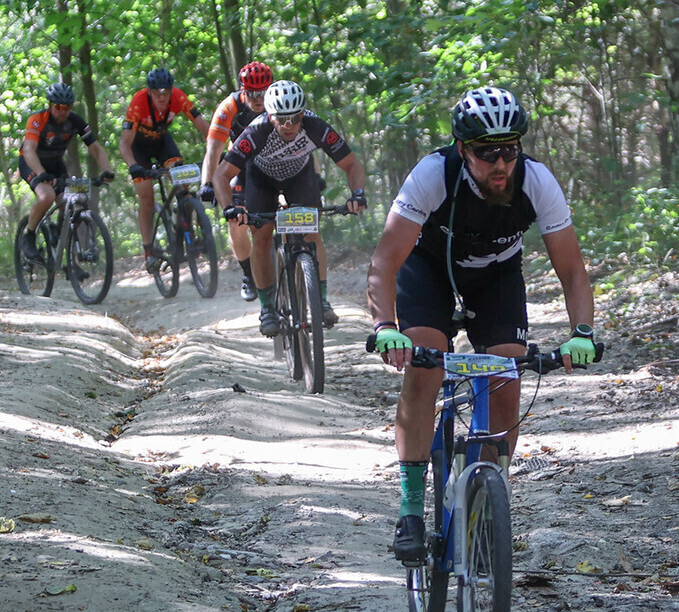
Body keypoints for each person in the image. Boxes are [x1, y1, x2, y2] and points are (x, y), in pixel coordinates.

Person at [365, 86, 597, 563]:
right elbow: (385, 261)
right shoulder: (434, 175)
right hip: (429, 269)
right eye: (487, 153)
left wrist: (582, 333)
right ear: (462, 149)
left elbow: (572, 270)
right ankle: (410, 509)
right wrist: (386, 325)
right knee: (424, 364)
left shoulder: (537, 182)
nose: (501, 164)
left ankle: (490, 499)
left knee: (506, 375)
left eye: (509, 150)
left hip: (495, 277)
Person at [214, 80, 366, 336]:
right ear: (269, 115)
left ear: (303, 114)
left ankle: (321, 298)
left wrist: (358, 194)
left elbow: (352, 164)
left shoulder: (316, 126)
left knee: (311, 233)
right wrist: (230, 207)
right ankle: (268, 308)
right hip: (261, 178)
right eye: (281, 119)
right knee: (261, 238)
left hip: (299, 175)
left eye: (295, 118)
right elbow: (221, 175)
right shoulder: (256, 131)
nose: (289, 125)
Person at [119, 67, 211, 273]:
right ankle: (148, 250)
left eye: (165, 93)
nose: (161, 98)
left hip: (161, 144)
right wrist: (133, 166)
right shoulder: (139, 101)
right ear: (149, 92)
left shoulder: (178, 97)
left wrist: (217, 148)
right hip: (138, 148)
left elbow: (202, 124)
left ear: (171, 91)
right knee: (146, 196)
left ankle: (187, 227)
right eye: (157, 93)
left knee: (182, 180)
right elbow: (124, 143)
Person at [200, 61, 273, 303]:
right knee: (236, 220)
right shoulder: (229, 107)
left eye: (263, 92)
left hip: (276, 161)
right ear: (243, 90)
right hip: (240, 163)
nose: (259, 98)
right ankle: (248, 274)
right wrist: (207, 183)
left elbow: (304, 141)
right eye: (252, 93)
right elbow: (213, 150)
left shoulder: (279, 99)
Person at [17, 82, 115, 260]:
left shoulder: (75, 121)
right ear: (50, 105)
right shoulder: (38, 119)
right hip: (31, 163)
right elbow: (29, 149)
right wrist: (41, 174)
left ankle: (66, 253)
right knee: (47, 196)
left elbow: (95, 148)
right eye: (58, 107)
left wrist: (107, 170)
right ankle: (29, 236)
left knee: (73, 203)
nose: (62, 111)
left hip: (55, 164)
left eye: (66, 108)